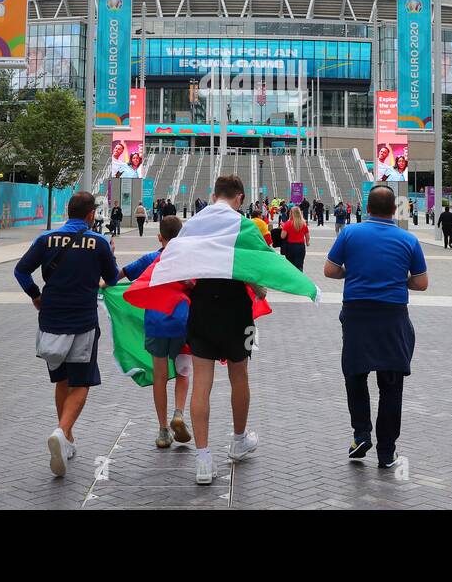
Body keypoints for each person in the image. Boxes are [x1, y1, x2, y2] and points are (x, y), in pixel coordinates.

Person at [14, 190, 118, 478]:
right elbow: (111, 278)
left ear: (68, 211)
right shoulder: (97, 243)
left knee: (61, 379)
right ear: (90, 215)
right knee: (81, 382)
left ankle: (67, 439)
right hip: (82, 321)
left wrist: (35, 295)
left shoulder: (46, 239)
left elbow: (21, 271)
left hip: (51, 320)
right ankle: (62, 432)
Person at [324, 185, 428, 469]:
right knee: (391, 387)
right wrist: (398, 279)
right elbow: (421, 283)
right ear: (394, 210)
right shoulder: (408, 240)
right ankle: (387, 452)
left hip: (357, 314)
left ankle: (360, 434)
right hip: (392, 317)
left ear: (366, 209)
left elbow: (330, 270)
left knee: (355, 376)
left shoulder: (349, 233)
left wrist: (353, 272)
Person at [186, 174, 267, 485]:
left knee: (201, 382)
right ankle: (238, 440)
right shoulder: (243, 225)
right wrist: (257, 288)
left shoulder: (195, 223)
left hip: (202, 308)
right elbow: (258, 265)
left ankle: (203, 460)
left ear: (213, 194)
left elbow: (182, 264)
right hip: (237, 312)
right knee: (239, 375)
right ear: (240, 198)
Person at [118, 215, 192, 448]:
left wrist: (103, 285)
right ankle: (179, 413)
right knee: (183, 372)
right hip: (183, 322)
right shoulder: (189, 260)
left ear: (160, 236)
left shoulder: (151, 258)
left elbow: (119, 275)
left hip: (156, 324)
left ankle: (163, 431)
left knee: (160, 376)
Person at [281, 205, 310, 271]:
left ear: (291, 213)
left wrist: (283, 227)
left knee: (290, 265)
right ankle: (299, 277)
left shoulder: (287, 224)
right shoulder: (303, 223)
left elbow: (283, 236)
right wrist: (307, 242)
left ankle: (291, 279)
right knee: (299, 264)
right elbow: (307, 235)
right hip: (301, 246)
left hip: (290, 247)